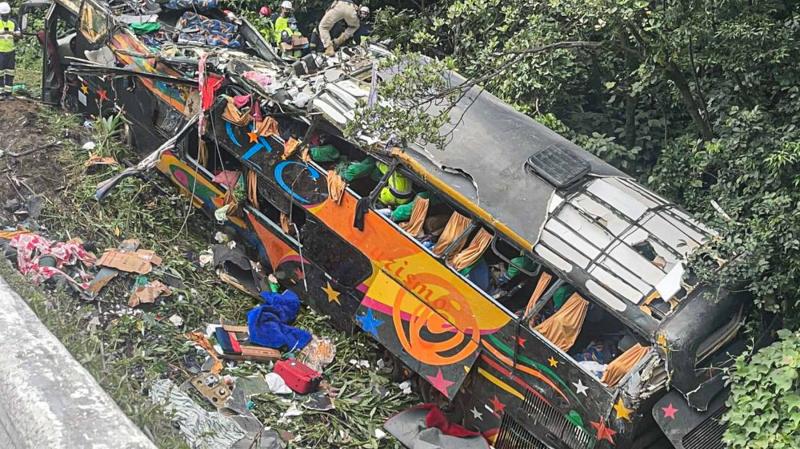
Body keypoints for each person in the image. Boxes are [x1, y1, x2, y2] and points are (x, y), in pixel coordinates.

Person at [0, 2, 20, 99]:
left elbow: (20, 35)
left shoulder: (13, 22)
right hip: (0, 52)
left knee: (10, 73)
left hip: (10, 52)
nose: (5, 16)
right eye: (3, 15)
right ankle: (1, 93)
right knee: (0, 73)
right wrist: (2, 32)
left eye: (6, 14)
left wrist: (13, 33)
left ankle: (8, 93)